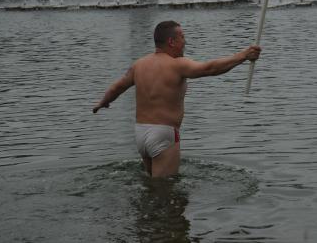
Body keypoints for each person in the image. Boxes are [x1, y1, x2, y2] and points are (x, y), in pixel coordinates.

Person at [93, 20, 261, 178]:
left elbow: (117, 87)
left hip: (140, 133)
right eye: (182, 37)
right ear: (171, 42)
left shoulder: (139, 64)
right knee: (165, 191)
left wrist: (103, 102)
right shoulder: (177, 64)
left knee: (151, 185)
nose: (185, 41)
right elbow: (210, 68)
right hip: (163, 134)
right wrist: (243, 56)